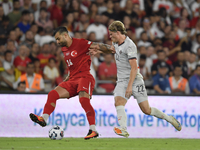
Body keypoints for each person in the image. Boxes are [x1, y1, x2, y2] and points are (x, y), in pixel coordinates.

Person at [89, 21, 182, 137]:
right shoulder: (117, 43)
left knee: (146, 110)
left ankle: (169, 119)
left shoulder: (130, 45)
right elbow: (112, 49)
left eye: (111, 34)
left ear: (118, 32)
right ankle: (123, 129)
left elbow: (134, 68)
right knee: (118, 102)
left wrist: (129, 87)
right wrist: (98, 50)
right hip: (122, 80)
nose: (110, 36)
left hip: (135, 79)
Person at [29, 26, 112, 140]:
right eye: (56, 40)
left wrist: (113, 49)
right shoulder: (64, 49)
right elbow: (73, 66)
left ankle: (93, 130)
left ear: (65, 35)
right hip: (72, 78)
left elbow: (98, 46)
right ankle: (44, 118)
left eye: (58, 39)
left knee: (83, 100)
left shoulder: (80, 43)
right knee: (52, 94)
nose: (57, 42)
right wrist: (68, 77)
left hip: (84, 76)